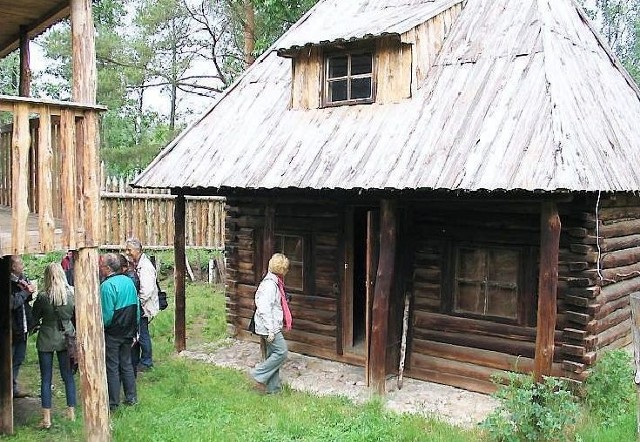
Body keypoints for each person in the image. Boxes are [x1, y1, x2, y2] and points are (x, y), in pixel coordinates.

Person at [31, 263, 77, 429]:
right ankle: (71, 412)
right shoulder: (71, 293)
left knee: (46, 378)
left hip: (47, 338)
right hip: (66, 337)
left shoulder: (43, 296)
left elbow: (34, 317)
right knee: (68, 376)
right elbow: (74, 314)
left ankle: (47, 418)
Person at [100, 253, 139, 411]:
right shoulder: (129, 282)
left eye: (102, 266)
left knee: (112, 366)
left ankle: (113, 402)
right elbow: (137, 307)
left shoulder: (106, 286)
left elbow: (107, 315)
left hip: (113, 332)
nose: (100, 268)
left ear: (108, 268)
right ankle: (131, 397)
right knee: (127, 364)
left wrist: (101, 328)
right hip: (129, 330)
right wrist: (135, 328)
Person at [250, 253, 293, 394]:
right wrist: (271, 330)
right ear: (282, 270)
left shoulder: (274, 283)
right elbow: (264, 308)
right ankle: (258, 374)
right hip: (268, 327)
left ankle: (273, 390)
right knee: (281, 351)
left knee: (272, 355)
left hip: (270, 326)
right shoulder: (269, 285)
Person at [125, 238, 159, 372]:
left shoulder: (146, 267)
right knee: (139, 332)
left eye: (129, 250)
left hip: (144, 306)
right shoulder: (137, 263)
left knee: (143, 334)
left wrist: (138, 303)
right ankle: (140, 359)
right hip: (141, 305)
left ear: (137, 250)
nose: (127, 252)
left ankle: (146, 361)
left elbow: (147, 290)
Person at [10, 255, 36, 398]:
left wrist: (29, 290)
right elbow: (13, 303)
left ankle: (13, 387)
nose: (23, 265)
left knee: (19, 358)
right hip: (12, 328)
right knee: (9, 359)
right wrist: (25, 292)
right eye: (20, 263)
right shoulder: (8, 282)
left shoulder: (23, 278)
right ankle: (7, 389)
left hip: (23, 326)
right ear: (13, 266)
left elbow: (26, 299)